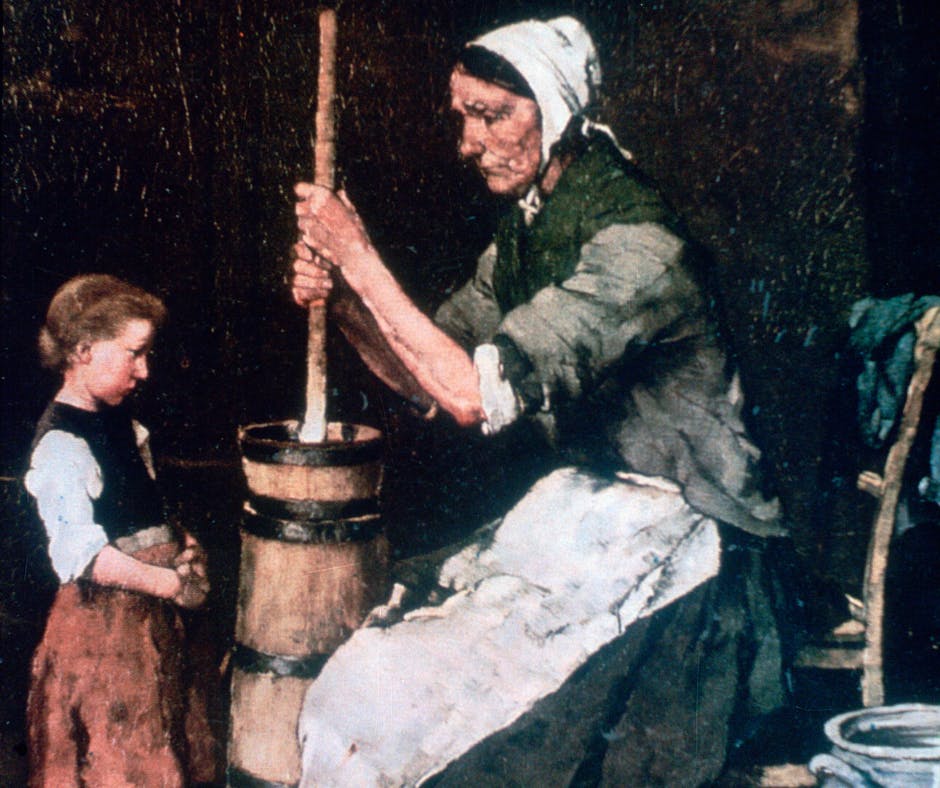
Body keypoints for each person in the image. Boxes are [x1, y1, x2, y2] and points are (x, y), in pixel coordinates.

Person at [290, 16, 791, 784]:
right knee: (376, 681)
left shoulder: (637, 248)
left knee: (478, 738)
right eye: (463, 116)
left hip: (691, 543)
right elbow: (430, 375)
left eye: (491, 116)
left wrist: (359, 261)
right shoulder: (532, 228)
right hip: (585, 516)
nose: (468, 142)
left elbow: (469, 398)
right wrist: (349, 305)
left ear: (554, 115)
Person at [24, 274, 219, 787]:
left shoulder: (123, 424)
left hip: (154, 625)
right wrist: (171, 585)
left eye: (148, 353)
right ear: (84, 350)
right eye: (133, 353)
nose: (145, 369)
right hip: (103, 634)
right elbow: (82, 557)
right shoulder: (61, 445)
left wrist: (183, 544)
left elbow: (142, 509)